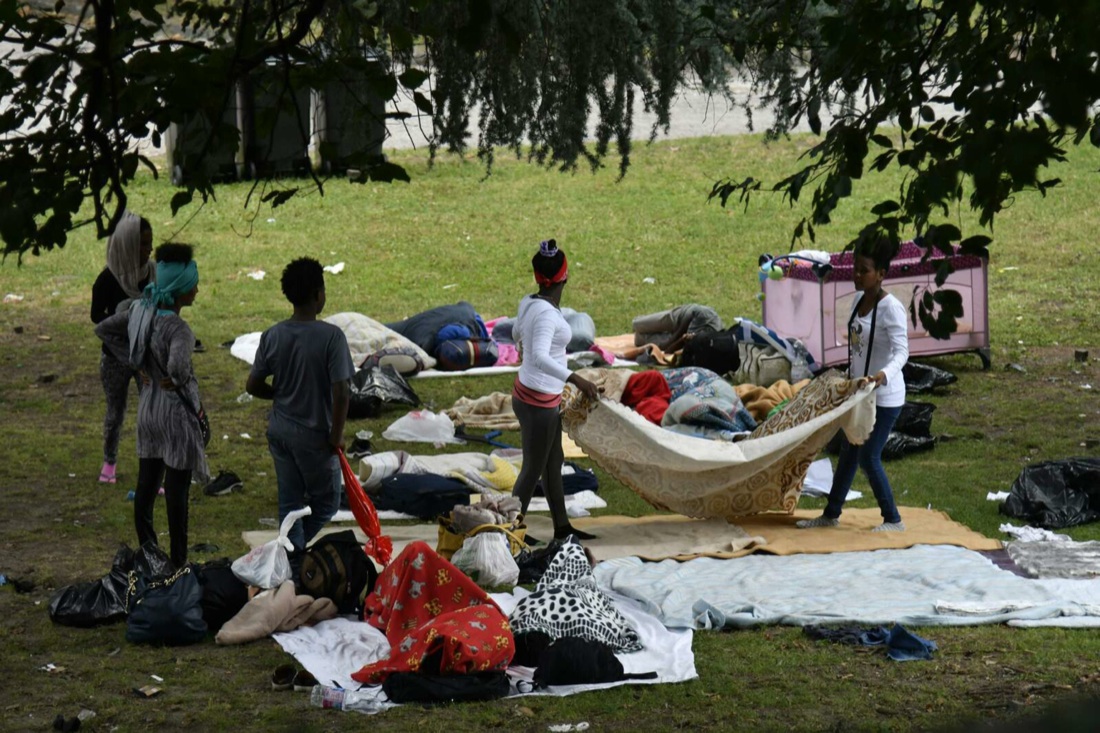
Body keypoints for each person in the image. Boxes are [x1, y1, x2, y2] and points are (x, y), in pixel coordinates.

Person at [95, 243, 207, 567]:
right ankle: (177, 562)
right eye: (194, 284)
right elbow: (179, 369)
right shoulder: (179, 329)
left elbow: (103, 329)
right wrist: (179, 379)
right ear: (182, 291)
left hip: (148, 409)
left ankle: (149, 553)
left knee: (146, 487)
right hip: (175, 416)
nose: (198, 289)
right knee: (176, 492)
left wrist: (137, 365)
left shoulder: (139, 313)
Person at [797, 238, 909, 532]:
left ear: (882, 274)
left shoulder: (891, 309)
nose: (856, 275)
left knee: (869, 457)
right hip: (859, 393)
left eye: (864, 271)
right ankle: (831, 515)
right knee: (848, 453)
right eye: (855, 269)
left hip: (884, 398)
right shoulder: (860, 300)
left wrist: (882, 375)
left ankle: (893, 520)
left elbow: (902, 352)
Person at [246, 258, 354, 558]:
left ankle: (289, 556)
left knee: (290, 502)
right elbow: (342, 390)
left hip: (279, 430)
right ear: (319, 294)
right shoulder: (331, 337)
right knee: (328, 501)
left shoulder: (273, 335)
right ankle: (293, 556)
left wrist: (279, 394)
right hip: (313, 436)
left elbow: (253, 385)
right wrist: (336, 433)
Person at [511, 239, 603, 542]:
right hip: (537, 403)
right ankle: (511, 534)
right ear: (564, 276)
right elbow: (538, 356)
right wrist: (576, 379)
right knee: (531, 471)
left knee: (553, 462)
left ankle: (562, 528)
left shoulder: (529, 302)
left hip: (533, 395)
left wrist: (521, 346)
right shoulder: (548, 314)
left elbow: (516, 334)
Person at [89, 212, 155, 484]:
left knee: (151, 411)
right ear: (127, 245)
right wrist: (122, 319)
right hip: (115, 359)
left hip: (146, 358)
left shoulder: (152, 273)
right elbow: (97, 317)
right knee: (115, 411)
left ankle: (152, 467)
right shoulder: (107, 279)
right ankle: (109, 462)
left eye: (150, 243)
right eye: (142, 244)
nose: (148, 249)